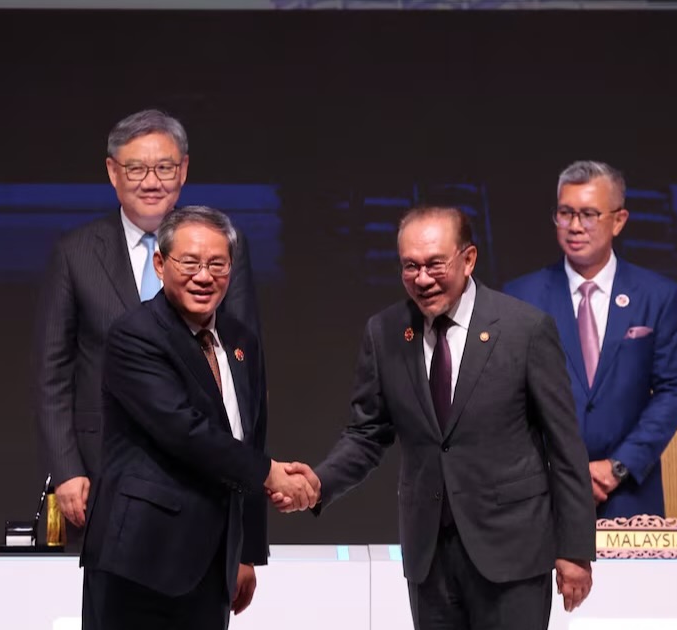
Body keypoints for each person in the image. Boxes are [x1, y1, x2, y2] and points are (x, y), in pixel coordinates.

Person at [275, 206, 595, 630]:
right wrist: (319, 483)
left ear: (469, 259)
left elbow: (565, 446)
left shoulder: (525, 330)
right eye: (410, 266)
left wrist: (575, 550)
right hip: (429, 556)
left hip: (513, 552)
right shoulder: (385, 332)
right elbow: (367, 433)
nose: (422, 279)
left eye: (434, 264)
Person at [80, 206, 313, 630]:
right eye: (189, 262)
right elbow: (184, 431)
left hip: (212, 564)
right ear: (160, 264)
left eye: (217, 264)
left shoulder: (241, 340)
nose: (203, 276)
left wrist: (247, 554)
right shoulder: (135, 335)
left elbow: (251, 437)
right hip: (139, 560)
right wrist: (270, 474)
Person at [35, 110, 262, 542]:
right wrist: (65, 470)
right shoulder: (76, 252)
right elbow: (52, 374)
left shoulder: (224, 247)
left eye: (165, 167)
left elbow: (242, 367)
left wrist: (244, 472)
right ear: (112, 172)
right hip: (101, 470)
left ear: (184, 170)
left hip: (204, 466)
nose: (151, 181)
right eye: (136, 168)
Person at [503, 160, 677, 519]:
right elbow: (505, 398)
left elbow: (673, 390)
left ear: (619, 220)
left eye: (589, 214)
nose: (575, 226)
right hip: (541, 495)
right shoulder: (520, 297)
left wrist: (618, 466)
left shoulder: (657, 296)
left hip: (628, 493)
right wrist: (559, 471)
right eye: (566, 213)